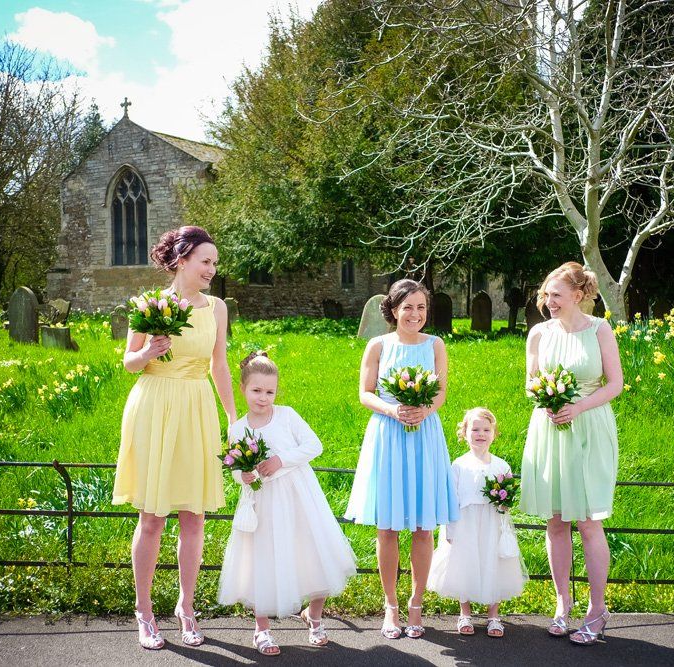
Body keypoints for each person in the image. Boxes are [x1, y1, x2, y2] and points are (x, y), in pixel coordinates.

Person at [112, 225, 236, 650]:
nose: (212, 270)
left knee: (194, 516)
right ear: (181, 260)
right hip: (155, 406)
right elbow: (129, 362)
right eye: (206, 261)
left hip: (197, 407)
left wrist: (233, 417)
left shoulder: (216, 308)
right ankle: (144, 612)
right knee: (152, 517)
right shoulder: (150, 304)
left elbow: (219, 364)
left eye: (215, 263)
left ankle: (187, 606)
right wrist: (147, 353)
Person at [218, 352, 357, 656]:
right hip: (262, 503)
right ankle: (262, 628)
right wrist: (248, 473)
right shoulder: (238, 429)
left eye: (270, 391)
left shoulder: (287, 415)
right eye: (256, 391)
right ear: (243, 389)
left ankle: (315, 617)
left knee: (314, 553)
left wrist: (280, 460)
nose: (263, 398)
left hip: (298, 496)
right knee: (263, 560)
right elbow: (236, 473)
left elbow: (314, 445)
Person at [345, 279, 459, 639]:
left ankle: (417, 603)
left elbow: (440, 393)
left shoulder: (436, 345)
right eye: (408, 307)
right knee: (388, 524)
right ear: (393, 311)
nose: (415, 314)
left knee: (424, 525)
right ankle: (390, 605)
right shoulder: (378, 346)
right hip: (388, 434)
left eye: (421, 307)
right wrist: (393, 411)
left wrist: (425, 410)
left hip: (425, 433)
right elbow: (365, 393)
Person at [519, 261, 623, 645]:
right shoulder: (538, 334)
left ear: (578, 295)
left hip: (589, 426)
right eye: (546, 295)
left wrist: (577, 407)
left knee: (589, 521)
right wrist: (545, 400)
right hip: (549, 428)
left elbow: (615, 384)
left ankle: (597, 610)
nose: (549, 302)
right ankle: (563, 605)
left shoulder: (599, 330)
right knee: (557, 520)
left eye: (557, 295)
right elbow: (531, 383)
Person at [427, 407, 528, 638]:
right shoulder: (458, 465)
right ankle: (465, 613)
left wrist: (504, 501)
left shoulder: (502, 466)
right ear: (464, 432)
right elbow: (452, 499)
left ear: (494, 433)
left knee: (494, 563)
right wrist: (450, 529)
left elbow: (507, 499)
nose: (480, 434)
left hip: (493, 523)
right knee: (465, 564)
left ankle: (494, 615)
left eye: (486, 429)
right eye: (474, 429)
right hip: (465, 523)